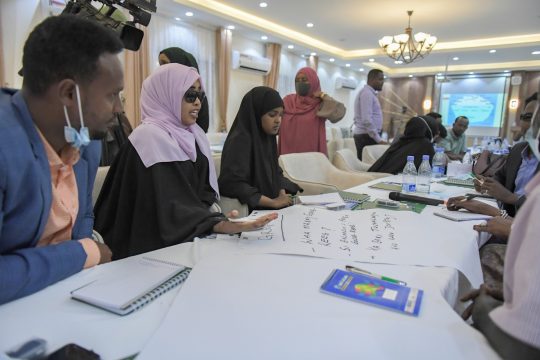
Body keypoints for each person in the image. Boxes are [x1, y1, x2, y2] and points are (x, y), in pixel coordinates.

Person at [0, 16, 124, 304]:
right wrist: (83, 252)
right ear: (69, 93)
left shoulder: (84, 141)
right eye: (112, 95)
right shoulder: (6, 146)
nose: (119, 109)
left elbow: (84, 217)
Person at [94, 64, 276, 260]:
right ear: (167, 95)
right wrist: (217, 224)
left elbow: (199, 192)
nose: (197, 103)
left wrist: (213, 215)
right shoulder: (149, 138)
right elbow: (165, 207)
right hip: (147, 246)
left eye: (200, 96)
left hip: (187, 234)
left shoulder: (193, 136)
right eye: (190, 95)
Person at [219, 87, 302, 212]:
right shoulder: (240, 141)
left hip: (271, 210)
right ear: (257, 114)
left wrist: (281, 194)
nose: (278, 120)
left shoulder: (267, 137)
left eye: (281, 115)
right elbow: (233, 184)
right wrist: (273, 203)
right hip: (252, 212)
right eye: (272, 114)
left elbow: (275, 171)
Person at [278, 67, 345, 156]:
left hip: (310, 155)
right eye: (297, 80)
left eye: (304, 80)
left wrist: (323, 95)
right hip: (288, 153)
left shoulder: (319, 104)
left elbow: (339, 113)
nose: (300, 83)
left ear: (313, 81)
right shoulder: (288, 101)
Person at [159, 47, 210, 133]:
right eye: (160, 65)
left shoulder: (200, 99)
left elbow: (202, 130)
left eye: (165, 64)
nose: (161, 69)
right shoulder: (158, 94)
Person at [367, 116, 438, 175]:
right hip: (392, 183)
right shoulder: (424, 144)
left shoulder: (401, 141)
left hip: (373, 178)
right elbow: (433, 170)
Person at [353, 69, 387, 160]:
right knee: (367, 167)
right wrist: (378, 139)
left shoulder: (369, 93)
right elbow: (367, 120)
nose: (382, 82)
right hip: (366, 136)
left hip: (368, 135)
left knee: (369, 165)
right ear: (372, 79)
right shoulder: (366, 93)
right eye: (380, 79)